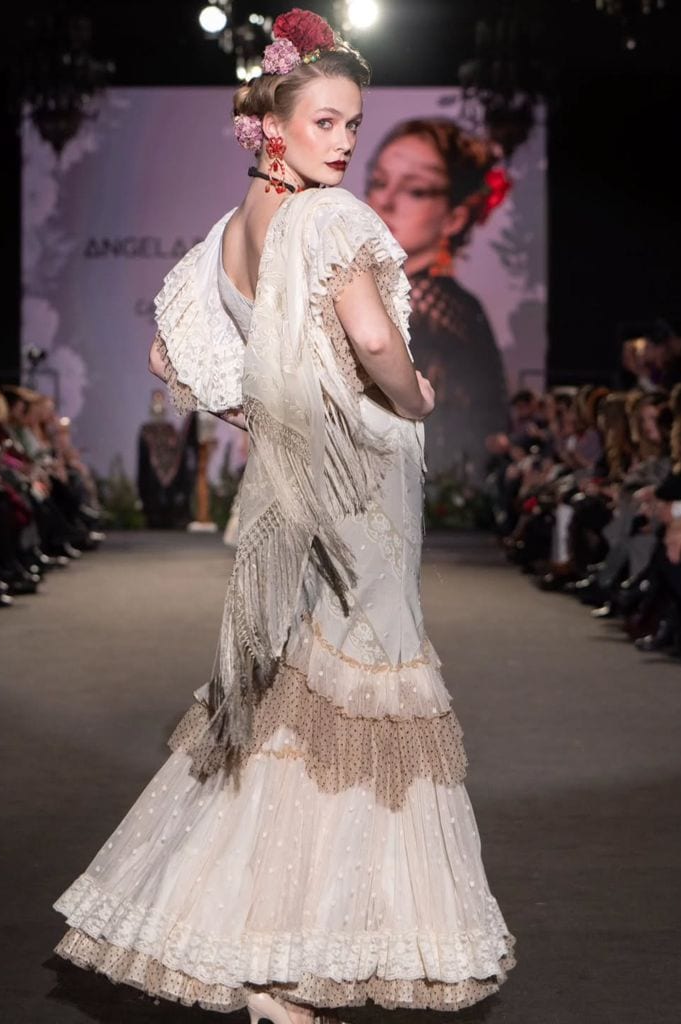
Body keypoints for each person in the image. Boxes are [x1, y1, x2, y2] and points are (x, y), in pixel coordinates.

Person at [51, 10, 515, 1024]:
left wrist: (279, 413)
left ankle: (266, 949)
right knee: (373, 693)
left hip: (304, 480)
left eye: (354, 123)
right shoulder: (331, 220)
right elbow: (374, 342)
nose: (346, 143)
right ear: (274, 125)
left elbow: (179, 362)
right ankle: (304, 946)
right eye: (327, 123)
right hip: (362, 480)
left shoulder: (225, 238)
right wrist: (417, 396)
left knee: (308, 699)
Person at [364, 117, 510, 481]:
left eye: (415, 190)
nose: (386, 200)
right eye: (379, 182)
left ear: (455, 217)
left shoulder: (436, 305)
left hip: (421, 472)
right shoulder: (392, 287)